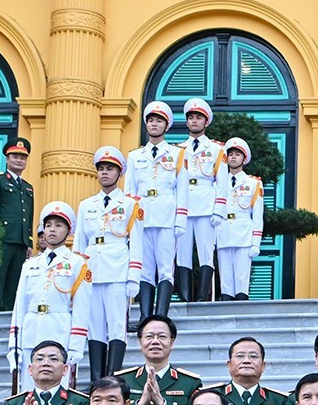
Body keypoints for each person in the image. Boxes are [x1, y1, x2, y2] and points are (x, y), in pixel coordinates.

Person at [7, 203, 93, 390]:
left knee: (59, 392)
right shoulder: (30, 264)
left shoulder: (77, 263)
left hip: (59, 330)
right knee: (29, 391)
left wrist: (76, 346)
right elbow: (20, 305)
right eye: (48, 225)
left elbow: (82, 307)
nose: (52, 230)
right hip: (31, 330)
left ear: (69, 231)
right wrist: (14, 344)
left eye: (58, 225)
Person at [73, 145, 137, 382]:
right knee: (95, 326)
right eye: (101, 169)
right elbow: (79, 244)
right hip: (92, 270)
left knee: (117, 325)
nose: (105, 173)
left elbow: (137, 242)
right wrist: (75, 280)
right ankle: (96, 380)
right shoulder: (86, 205)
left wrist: (133, 276)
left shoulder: (130, 204)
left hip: (118, 268)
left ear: (119, 173)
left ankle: (113, 377)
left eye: (110, 169)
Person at [123, 100, 181, 325]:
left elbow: (182, 190)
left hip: (166, 216)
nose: (154, 124)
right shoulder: (135, 156)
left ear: (166, 126)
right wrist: (127, 224)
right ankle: (145, 317)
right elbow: (129, 191)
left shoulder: (177, 154)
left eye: (159, 121)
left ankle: (162, 316)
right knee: (144, 269)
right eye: (151, 120)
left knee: (166, 269)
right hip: (142, 218)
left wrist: (180, 220)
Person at [117, 314, 202, 405]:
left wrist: (162, 404)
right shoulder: (123, 380)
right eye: (149, 337)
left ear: (172, 342)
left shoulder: (190, 383)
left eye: (162, 337)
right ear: (140, 342)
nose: (155, 341)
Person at [174, 98, 226, 303]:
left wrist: (219, 209)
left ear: (206, 122)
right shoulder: (178, 150)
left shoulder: (216, 149)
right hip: (183, 205)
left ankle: (202, 297)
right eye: (191, 118)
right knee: (182, 253)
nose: (194, 121)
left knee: (206, 251)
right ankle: (185, 297)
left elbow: (222, 182)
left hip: (206, 204)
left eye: (199, 118)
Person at [218, 335, 289, 405]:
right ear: (229, 365)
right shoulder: (213, 396)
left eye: (253, 356)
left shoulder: (279, 400)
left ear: (263, 366)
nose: (246, 361)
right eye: (240, 356)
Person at [0, 135, 35, 313]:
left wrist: (29, 241)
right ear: (7, 159)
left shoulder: (28, 187)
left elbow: (29, 215)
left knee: (15, 279)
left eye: (23, 157)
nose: (19, 160)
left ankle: (10, 311)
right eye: (15, 156)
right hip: (3, 238)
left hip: (20, 240)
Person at [215, 138, 263, 301]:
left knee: (242, 278)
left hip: (244, 234)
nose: (233, 157)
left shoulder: (253, 183)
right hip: (223, 232)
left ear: (244, 158)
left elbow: (257, 215)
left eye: (237, 154)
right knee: (225, 279)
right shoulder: (217, 182)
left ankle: (242, 307)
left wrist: (256, 243)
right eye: (231, 154)